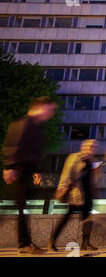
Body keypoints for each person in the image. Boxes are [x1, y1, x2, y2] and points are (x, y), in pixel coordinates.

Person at [2, 96, 58, 255]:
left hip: (26, 170)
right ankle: (24, 244)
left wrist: (36, 171)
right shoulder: (23, 124)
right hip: (18, 169)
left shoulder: (38, 128)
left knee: (18, 205)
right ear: (42, 107)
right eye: (50, 109)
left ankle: (24, 244)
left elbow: (33, 152)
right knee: (18, 206)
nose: (51, 113)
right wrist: (9, 167)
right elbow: (12, 146)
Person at [48, 139, 101, 252]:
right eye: (89, 146)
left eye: (94, 147)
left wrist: (97, 171)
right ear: (83, 147)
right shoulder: (74, 157)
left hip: (87, 195)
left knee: (87, 220)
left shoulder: (93, 161)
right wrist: (63, 185)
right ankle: (52, 241)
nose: (92, 149)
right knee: (65, 219)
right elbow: (67, 172)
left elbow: (95, 180)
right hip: (76, 194)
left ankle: (85, 243)